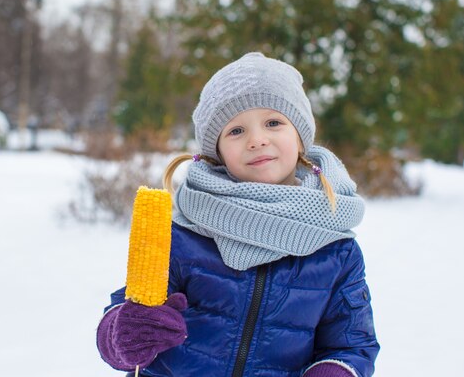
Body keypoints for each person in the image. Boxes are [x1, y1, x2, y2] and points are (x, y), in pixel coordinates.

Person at [96, 52, 379, 377]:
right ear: (216, 153)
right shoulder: (186, 232)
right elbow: (123, 315)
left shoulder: (336, 250)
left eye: (274, 122)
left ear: (300, 137)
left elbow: (351, 345)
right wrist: (123, 335)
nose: (257, 140)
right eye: (236, 131)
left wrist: (335, 371)